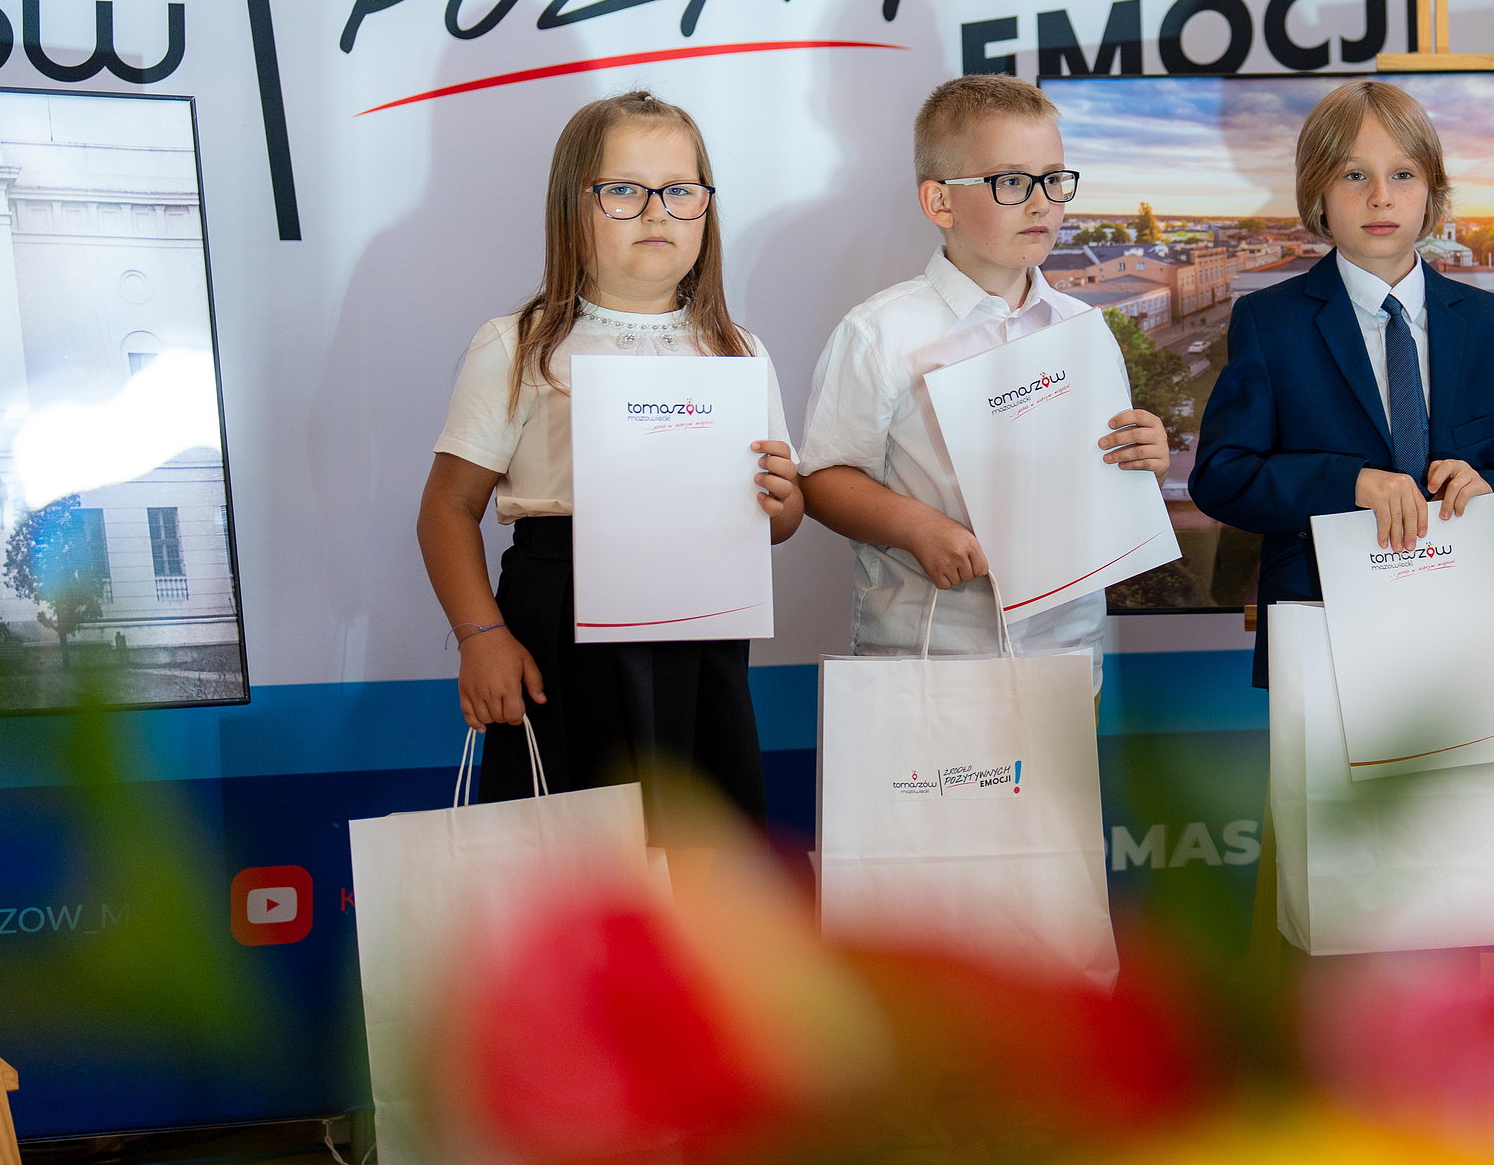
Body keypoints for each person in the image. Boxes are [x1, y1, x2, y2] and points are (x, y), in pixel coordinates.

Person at [416, 90, 800, 825]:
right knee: (572, 843)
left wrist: (785, 502)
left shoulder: (738, 350)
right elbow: (447, 508)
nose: (657, 213)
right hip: (560, 626)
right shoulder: (518, 345)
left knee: (703, 848)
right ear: (572, 207)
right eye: (624, 190)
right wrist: (482, 637)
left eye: (680, 191)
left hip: (700, 628)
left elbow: (777, 523)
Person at [1190, 79, 1494, 684]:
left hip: (1472, 625)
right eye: (1354, 175)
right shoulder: (1269, 323)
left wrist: (1490, 489)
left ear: (1432, 194)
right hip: (1324, 628)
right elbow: (1222, 477)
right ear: (1317, 193)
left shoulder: (1493, 323)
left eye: (1403, 175)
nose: (1380, 197)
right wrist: (1349, 484)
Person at [798, 74, 1170, 678]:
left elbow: (1108, 464)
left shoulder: (1085, 327)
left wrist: (1144, 455)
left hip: (1070, 651)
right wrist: (916, 525)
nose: (1041, 203)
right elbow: (823, 479)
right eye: (1012, 182)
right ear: (940, 203)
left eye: (1054, 179)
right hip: (933, 652)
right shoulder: (879, 332)